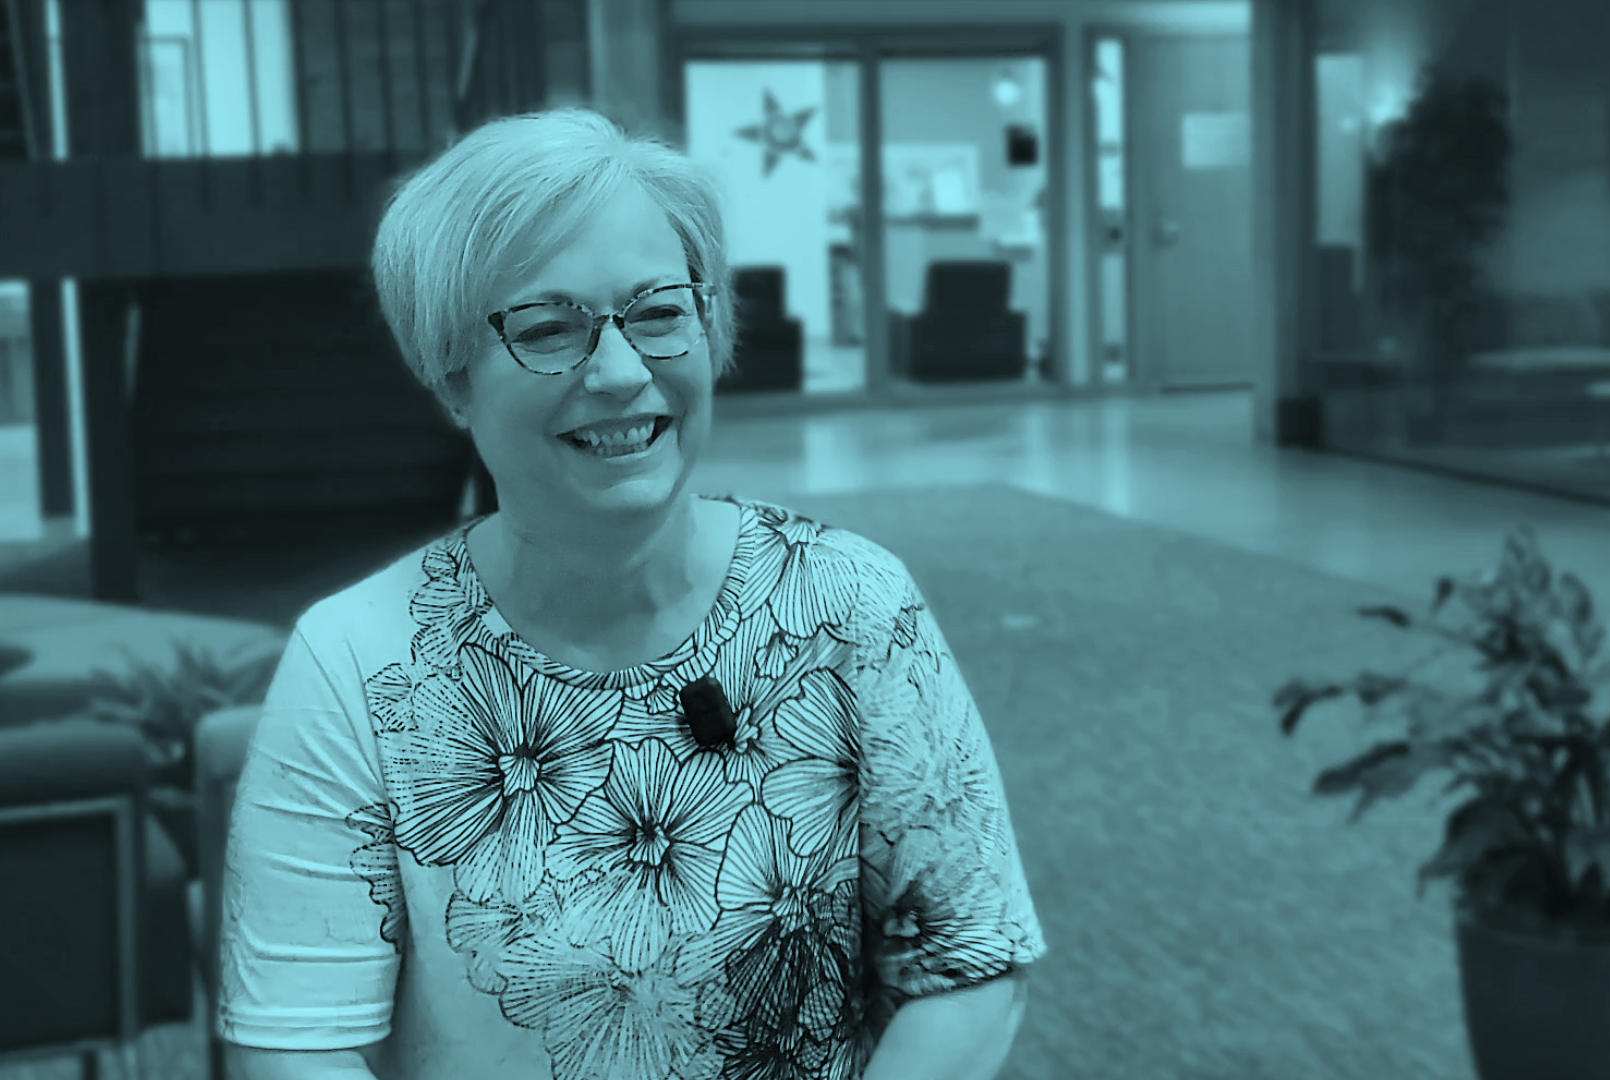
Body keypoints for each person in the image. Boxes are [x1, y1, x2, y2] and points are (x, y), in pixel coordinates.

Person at [218, 107, 1046, 1080]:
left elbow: (968, 963)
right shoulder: (359, 662)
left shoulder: (849, 605)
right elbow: (295, 1045)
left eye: (657, 313)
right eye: (547, 329)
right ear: (451, 378)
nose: (618, 371)